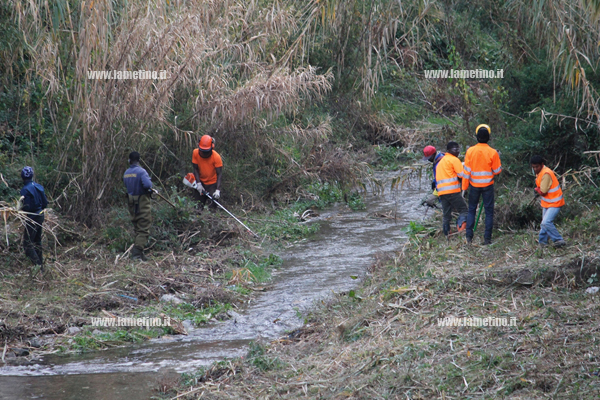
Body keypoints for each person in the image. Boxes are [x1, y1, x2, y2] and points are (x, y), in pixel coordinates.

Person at [462, 124, 502, 245]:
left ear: (476, 136)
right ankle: (487, 239)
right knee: (489, 212)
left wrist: (464, 188)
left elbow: (466, 172)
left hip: (474, 186)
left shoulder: (470, 151)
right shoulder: (493, 152)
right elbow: (497, 171)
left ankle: (469, 237)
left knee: (471, 211)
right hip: (488, 186)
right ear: (489, 137)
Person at [531, 155, 566, 248]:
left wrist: (536, 190)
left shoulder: (546, 173)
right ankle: (542, 243)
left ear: (542, 164)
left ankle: (558, 240)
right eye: (533, 167)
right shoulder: (541, 172)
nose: (535, 169)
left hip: (555, 203)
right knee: (544, 224)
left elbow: (543, 191)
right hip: (548, 202)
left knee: (546, 223)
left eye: (536, 167)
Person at [123, 152, 153, 261]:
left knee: (137, 227)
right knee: (144, 229)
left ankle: (141, 254)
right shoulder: (141, 172)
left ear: (129, 160)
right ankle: (136, 254)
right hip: (142, 202)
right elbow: (148, 185)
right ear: (138, 160)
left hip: (131, 203)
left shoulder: (126, 173)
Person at [435, 141, 468, 237]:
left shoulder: (441, 161)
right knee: (464, 210)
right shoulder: (454, 160)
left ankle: (447, 235)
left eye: (458, 149)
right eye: (455, 149)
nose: (457, 151)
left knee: (446, 215)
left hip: (442, 193)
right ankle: (462, 232)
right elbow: (462, 174)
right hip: (453, 191)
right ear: (449, 150)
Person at [20, 166, 48, 268]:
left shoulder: (24, 190)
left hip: (32, 218)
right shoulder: (38, 187)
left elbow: (26, 207)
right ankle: (41, 266)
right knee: (37, 241)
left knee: (27, 245)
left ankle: (38, 266)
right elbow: (45, 203)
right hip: (40, 215)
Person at [192, 135, 223, 211]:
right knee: (198, 207)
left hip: (212, 184)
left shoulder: (216, 157)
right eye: (202, 151)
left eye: (206, 151)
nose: (204, 153)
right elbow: (195, 169)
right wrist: (198, 183)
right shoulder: (195, 153)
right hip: (201, 182)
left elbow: (219, 174)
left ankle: (212, 221)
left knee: (213, 207)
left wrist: (218, 190)